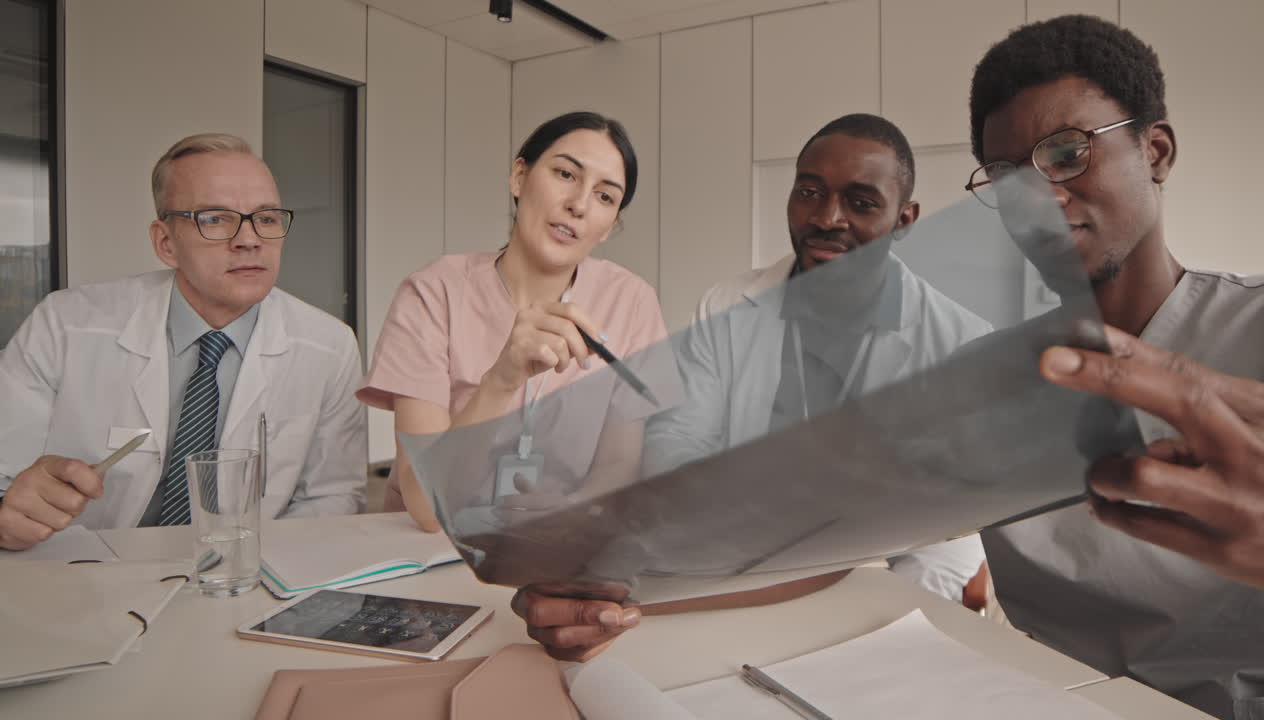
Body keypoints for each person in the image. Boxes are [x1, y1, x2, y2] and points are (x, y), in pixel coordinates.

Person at [516, 114, 994, 661]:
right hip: (735, 562)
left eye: (861, 202)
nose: (827, 218)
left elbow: (942, 526)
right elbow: (676, 443)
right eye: (809, 192)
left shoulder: (959, 343)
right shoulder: (724, 306)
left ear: (905, 220)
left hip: (885, 585)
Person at [966, 16, 1264, 719]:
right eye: (1009, 177)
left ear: (1157, 151)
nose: (1041, 198)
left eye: (1069, 153)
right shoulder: (984, 381)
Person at [0, 133, 367, 549]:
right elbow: (5, 479)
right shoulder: (65, 325)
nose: (249, 239)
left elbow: (332, 496)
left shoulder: (329, 345)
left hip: (250, 575)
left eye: (265, 218)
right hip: (84, 576)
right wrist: (9, 512)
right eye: (215, 218)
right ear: (166, 243)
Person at [357, 111, 669, 535]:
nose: (578, 204)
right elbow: (428, 510)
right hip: (431, 551)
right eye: (565, 173)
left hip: (563, 542)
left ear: (609, 227)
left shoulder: (631, 301)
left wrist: (574, 509)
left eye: (605, 197)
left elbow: (621, 463)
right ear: (519, 177)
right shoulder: (433, 293)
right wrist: (500, 380)